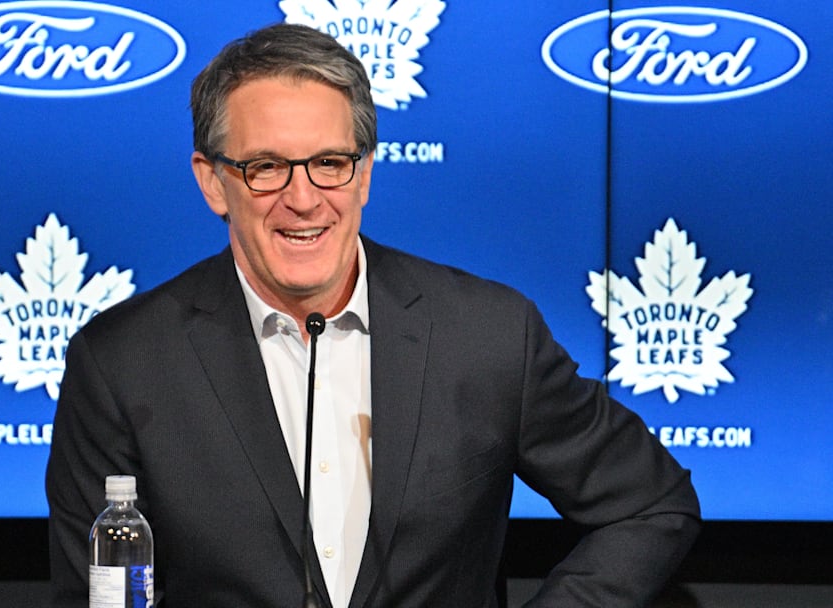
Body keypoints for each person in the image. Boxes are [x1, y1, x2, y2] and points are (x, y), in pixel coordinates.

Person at [46, 23, 700, 607]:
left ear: (363, 175)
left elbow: (651, 505)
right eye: (266, 168)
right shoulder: (122, 364)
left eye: (330, 164)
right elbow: (95, 596)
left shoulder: (490, 336)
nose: (303, 199)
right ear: (213, 181)